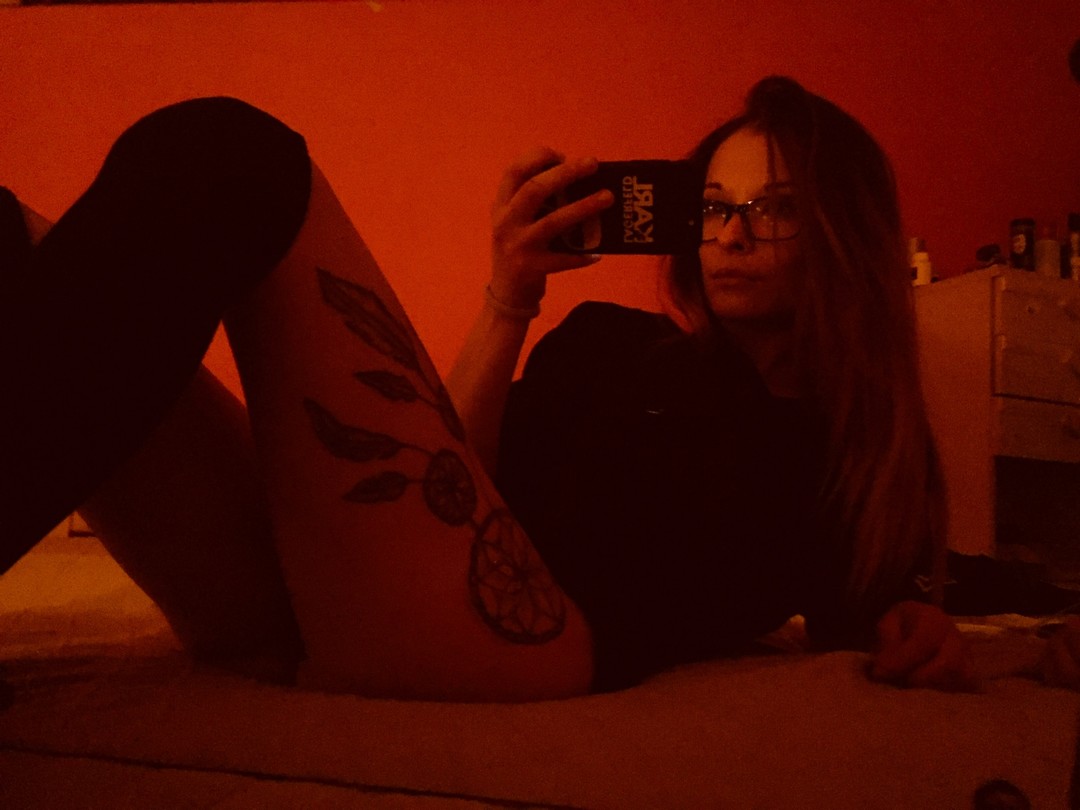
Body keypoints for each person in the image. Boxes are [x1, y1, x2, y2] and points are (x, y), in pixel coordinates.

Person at [0, 79, 1075, 701]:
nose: (735, 231)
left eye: (778, 207)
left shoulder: (852, 451)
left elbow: (891, 605)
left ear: (846, 233)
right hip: (343, 596)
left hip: (530, 640)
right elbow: (444, 483)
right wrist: (508, 299)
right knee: (10, 241)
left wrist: (947, 631)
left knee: (228, 154)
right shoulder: (606, 340)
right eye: (714, 205)